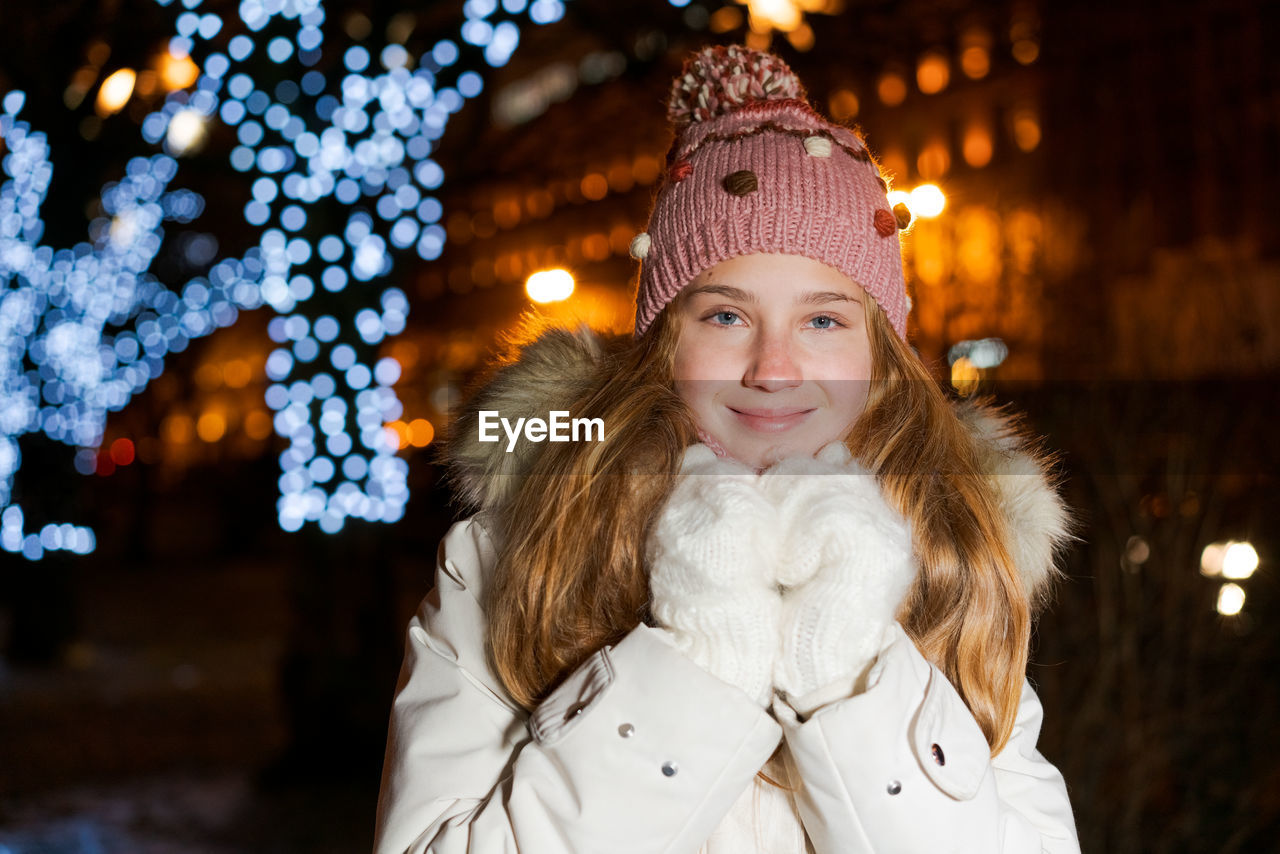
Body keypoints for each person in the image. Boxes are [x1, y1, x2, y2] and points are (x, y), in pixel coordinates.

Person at [373, 44, 1080, 853]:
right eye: (725, 316)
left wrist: (845, 670)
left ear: (880, 357)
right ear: (662, 346)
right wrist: (696, 663)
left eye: (823, 320)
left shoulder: (961, 562)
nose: (774, 370)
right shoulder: (509, 559)